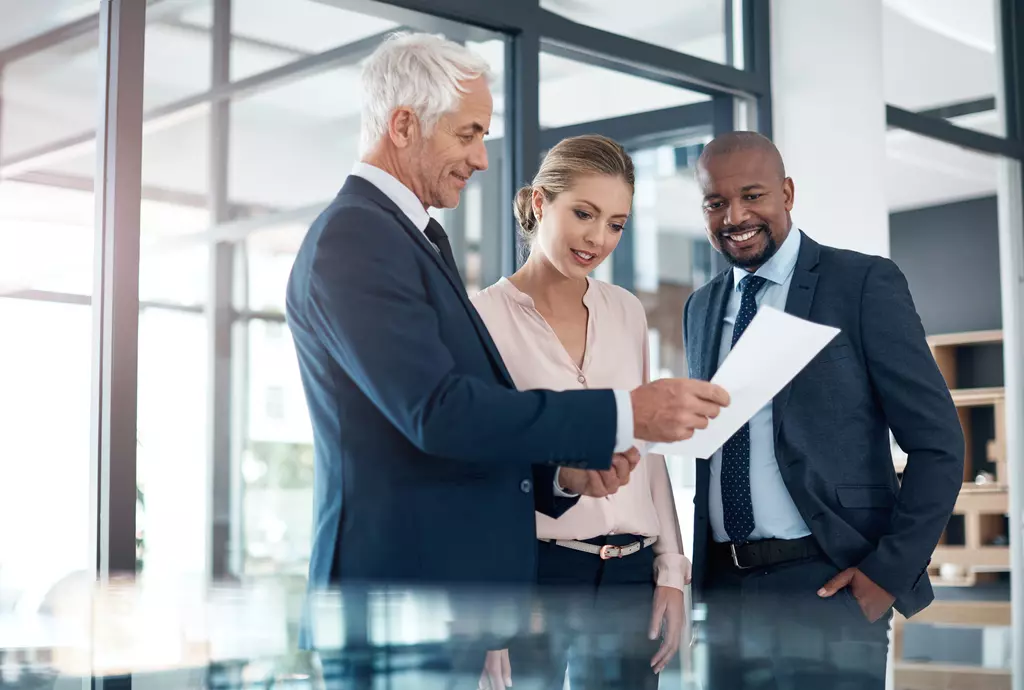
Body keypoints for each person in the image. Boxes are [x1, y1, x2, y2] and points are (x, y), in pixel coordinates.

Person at [285, 31, 728, 659]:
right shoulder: (356, 238)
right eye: (467, 134)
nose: (483, 159)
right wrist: (626, 413)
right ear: (405, 125)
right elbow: (437, 413)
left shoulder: (415, 240)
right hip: (395, 605)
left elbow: (457, 423)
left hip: (438, 602)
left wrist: (563, 473)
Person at [682, 130, 964, 689]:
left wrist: (886, 574)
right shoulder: (701, 305)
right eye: (716, 202)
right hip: (725, 594)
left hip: (828, 584)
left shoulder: (860, 283)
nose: (734, 215)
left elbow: (938, 444)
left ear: (787, 192)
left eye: (752, 195)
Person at [473, 135, 690, 690]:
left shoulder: (627, 312)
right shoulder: (481, 318)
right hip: (538, 578)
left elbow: (651, 449)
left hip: (631, 575)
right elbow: (479, 470)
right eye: (584, 213)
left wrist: (671, 571)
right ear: (541, 203)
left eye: (616, 223)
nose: (598, 238)